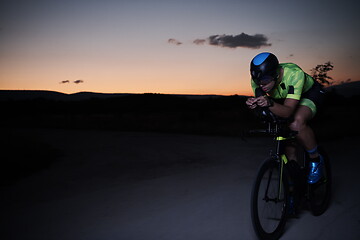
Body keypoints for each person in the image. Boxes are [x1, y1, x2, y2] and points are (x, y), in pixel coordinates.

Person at [245, 52, 325, 184]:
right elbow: (264, 109)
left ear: (276, 74)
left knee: (296, 123)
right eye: (256, 81)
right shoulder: (258, 80)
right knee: (286, 141)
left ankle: (315, 159)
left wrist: (269, 103)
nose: (260, 85)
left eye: (264, 81)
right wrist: (254, 106)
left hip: (309, 94)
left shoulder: (294, 74)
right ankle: (294, 187)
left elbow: (287, 112)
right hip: (284, 98)